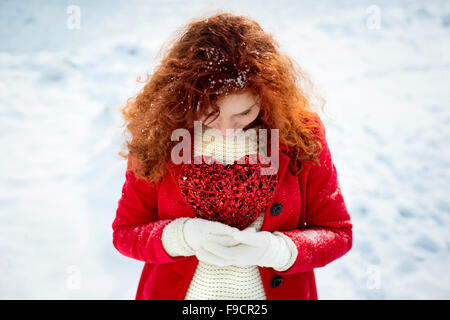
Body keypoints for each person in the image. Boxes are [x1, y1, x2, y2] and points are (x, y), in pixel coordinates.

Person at [112, 12, 353, 300]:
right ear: (186, 96)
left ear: (267, 96)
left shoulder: (301, 134)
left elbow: (338, 233)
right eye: (210, 113)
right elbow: (126, 233)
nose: (227, 130)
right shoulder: (160, 134)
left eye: (243, 113)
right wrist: (182, 236)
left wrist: (279, 250)